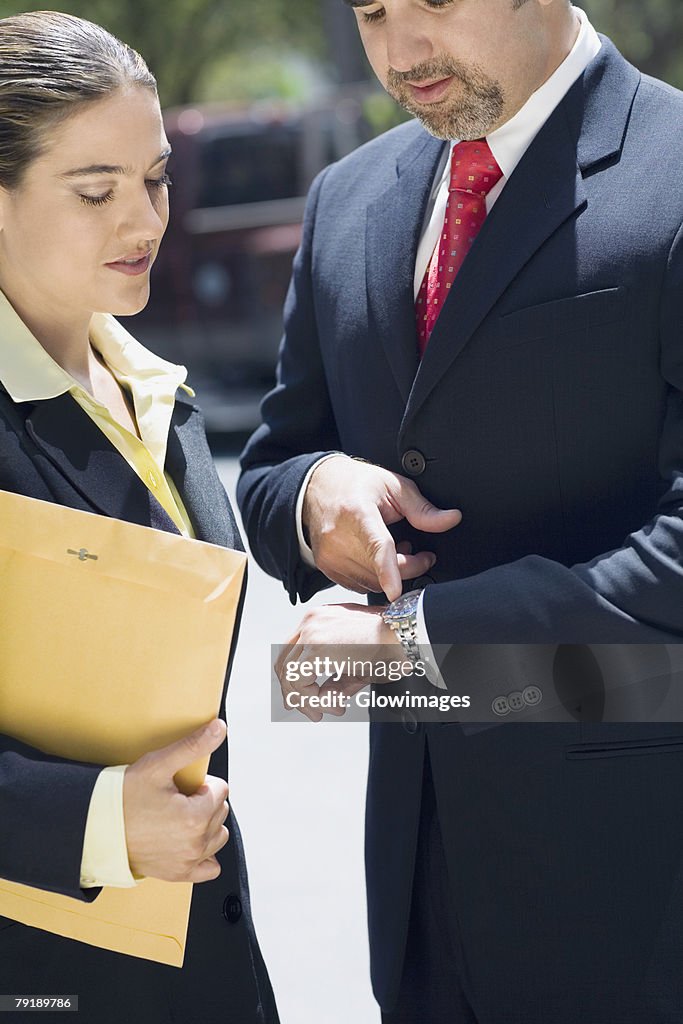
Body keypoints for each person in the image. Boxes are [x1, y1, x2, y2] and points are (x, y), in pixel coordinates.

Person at [238, 0, 683, 1020]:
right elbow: (269, 466)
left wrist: (411, 650)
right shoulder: (343, 201)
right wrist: (317, 496)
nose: (399, 52)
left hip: (633, 893)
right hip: (416, 887)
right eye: (372, 12)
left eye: (431, 2)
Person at [0, 12, 278, 1024]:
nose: (144, 220)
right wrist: (99, 819)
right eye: (96, 191)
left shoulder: (156, 389)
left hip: (205, 969)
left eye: (154, 178)